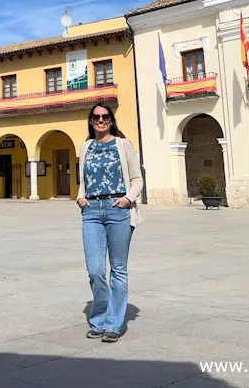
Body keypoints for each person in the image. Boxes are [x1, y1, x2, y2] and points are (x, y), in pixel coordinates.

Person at [76, 102, 143, 343]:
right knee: (95, 270)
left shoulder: (123, 145)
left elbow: (137, 179)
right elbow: (83, 180)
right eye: (96, 117)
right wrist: (80, 197)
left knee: (118, 269)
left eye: (105, 116)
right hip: (92, 211)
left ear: (111, 120)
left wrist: (128, 199)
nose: (101, 120)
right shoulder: (85, 147)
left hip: (118, 209)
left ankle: (113, 323)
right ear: (91, 121)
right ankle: (99, 318)